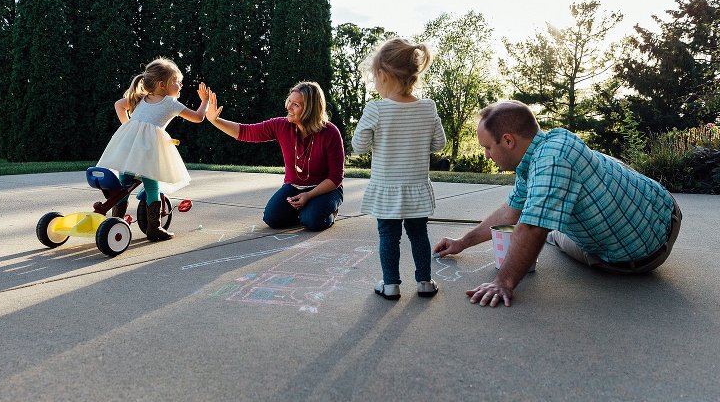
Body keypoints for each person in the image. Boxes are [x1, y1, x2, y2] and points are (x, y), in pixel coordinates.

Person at [433, 100, 682, 308]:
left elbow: (531, 228)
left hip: (643, 250)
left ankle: (553, 227)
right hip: (657, 208)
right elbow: (510, 212)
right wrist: (462, 242)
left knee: (552, 231)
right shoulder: (546, 148)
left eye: (488, 147)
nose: (486, 154)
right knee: (575, 185)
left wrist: (503, 281)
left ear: (508, 140)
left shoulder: (552, 162)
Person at [352, 39, 447, 300]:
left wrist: (368, 126)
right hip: (416, 187)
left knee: (388, 235)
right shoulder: (428, 107)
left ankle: (391, 284)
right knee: (419, 233)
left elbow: (358, 147)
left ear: (383, 75)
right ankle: (425, 282)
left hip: (387, 188)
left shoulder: (376, 109)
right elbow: (440, 143)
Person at [206, 81, 344, 231]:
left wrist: (309, 196)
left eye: (296, 105)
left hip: (326, 189)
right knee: (272, 218)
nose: (288, 107)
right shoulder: (281, 125)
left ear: (310, 109)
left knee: (312, 221)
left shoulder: (330, 133)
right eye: (289, 101)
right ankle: (307, 212)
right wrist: (215, 120)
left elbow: (335, 178)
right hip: (294, 187)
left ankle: (326, 211)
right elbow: (245, 132)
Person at [97, 57, 210, 241]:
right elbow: (198, 117)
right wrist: (204, 101)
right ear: (162, 85)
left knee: (123, 185)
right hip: (148, 151)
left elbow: (118, 105)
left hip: (128, 148)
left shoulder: (141, 98)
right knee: (152, 186)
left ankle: (115, 223)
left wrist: (130, 127)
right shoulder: (170, 103)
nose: (180, 85)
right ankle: (154, 228)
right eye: (177, 81)